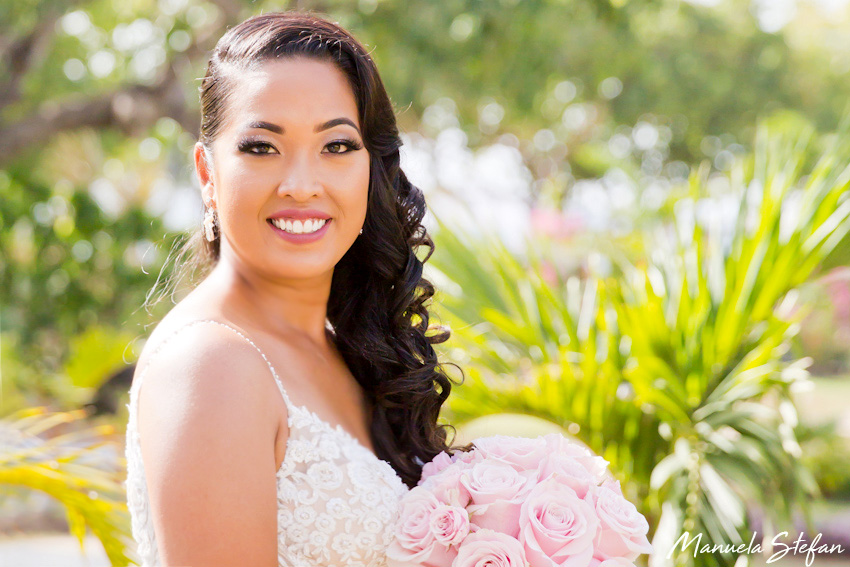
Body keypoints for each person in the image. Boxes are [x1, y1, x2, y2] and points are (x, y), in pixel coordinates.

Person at [124, 10, 462, 567]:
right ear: (208, 174)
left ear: (370, 169)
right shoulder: (213, 363)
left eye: (336, 147)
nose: (302, 185)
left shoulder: (345, 347)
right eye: (261, 147)